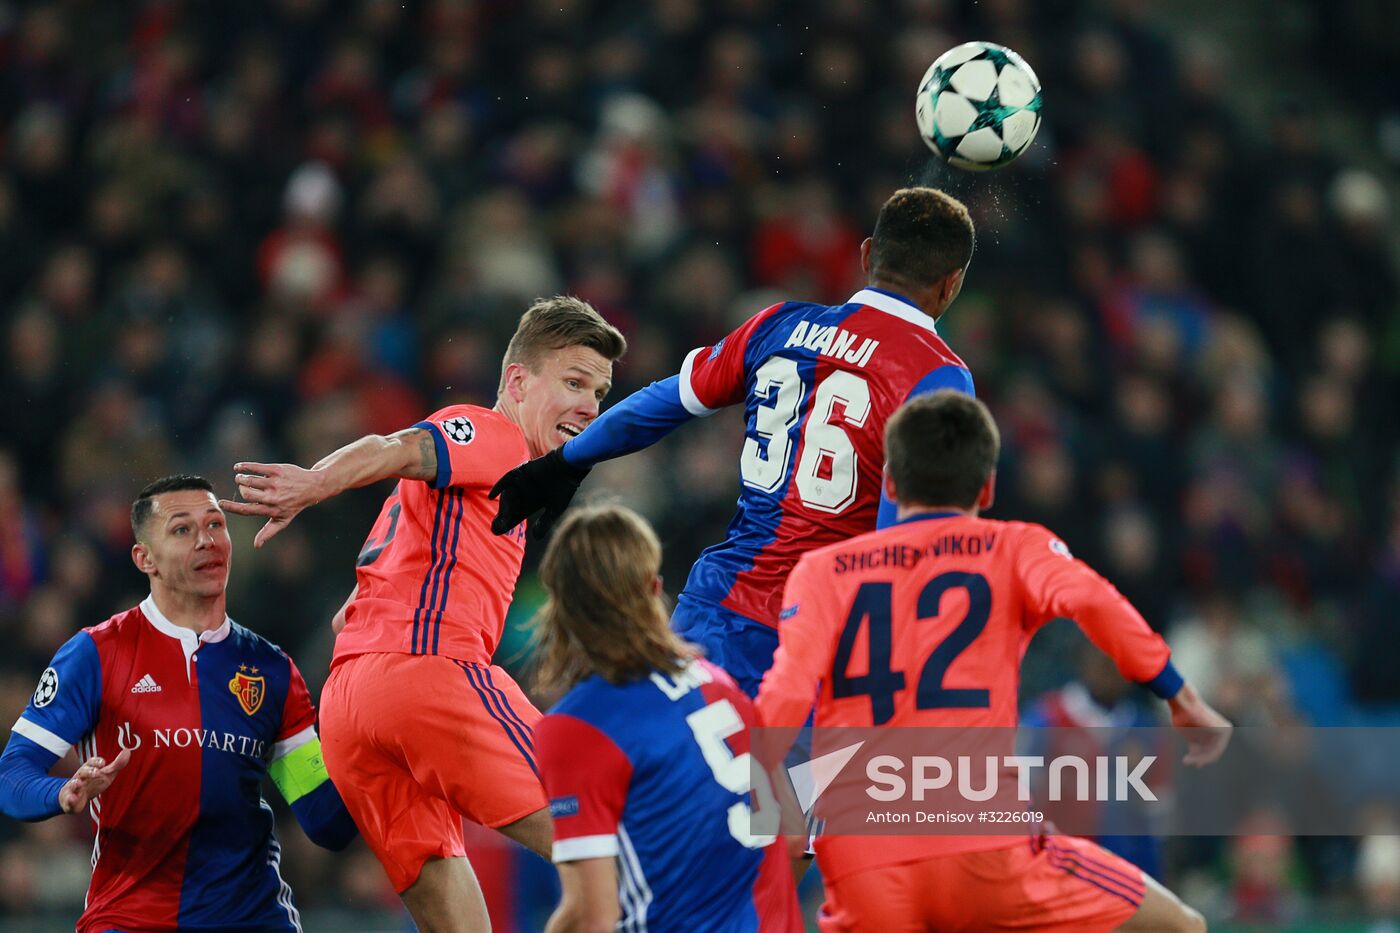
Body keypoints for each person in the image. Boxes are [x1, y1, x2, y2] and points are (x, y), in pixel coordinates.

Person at [221, 296, 627, 932]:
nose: (588, 405)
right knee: (606, 841)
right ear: (517, 382)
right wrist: (313, 483)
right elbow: (400, 445)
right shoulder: (496, 437)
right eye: (573, 383)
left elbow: (352, 611)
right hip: (429, 676)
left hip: (352, 706)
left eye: (598, 393)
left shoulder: (472, 500)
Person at [757, 391, 1230, 932]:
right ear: (987, 487)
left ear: (889, 483)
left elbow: (786, 694)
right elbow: (1095, 603)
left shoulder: (822, 571)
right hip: (983, 841)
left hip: (864, 855)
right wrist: (1182, 699)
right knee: (1183, 927)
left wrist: (757, 785)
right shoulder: (1015, 547)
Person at [491, 187, 978, 698]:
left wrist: (566, 461)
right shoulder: (938, 375)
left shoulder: (781, 323)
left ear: (865, 255)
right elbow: (902, 535)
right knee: (786, 781)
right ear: (952, 284)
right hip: (817, 641)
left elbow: (666, 400)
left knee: (676, 772)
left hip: (715, 612)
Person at [0, 475, 356, 933]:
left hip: (252, 919)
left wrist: (375, 736)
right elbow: (12, 774)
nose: (207, 540)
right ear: (144, 558)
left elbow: (326, 822)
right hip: (130, 919)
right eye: (182, 530)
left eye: (215, 524)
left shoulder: (270, 670)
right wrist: (61, 793)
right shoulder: (95, 654)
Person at [532, 504, 803, 932]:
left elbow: (592, 918)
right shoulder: (718, 681)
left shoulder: (574, 727)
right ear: (653, 587)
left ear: (560, 602)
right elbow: (791, 835)